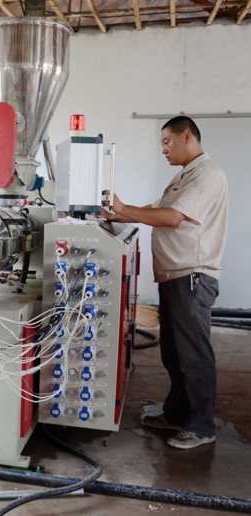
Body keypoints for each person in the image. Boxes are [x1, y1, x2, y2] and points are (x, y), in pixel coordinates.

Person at [100, 116, 229, 450]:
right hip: (174, 276)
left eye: (166, 142)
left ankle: (201, 426)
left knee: (194, 354)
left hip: (192, 277)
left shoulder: (207, 175)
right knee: (174, 353)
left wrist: (125, 209)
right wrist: (118, 213)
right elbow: (156, 209)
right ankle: (177, 413)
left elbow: (171, 218)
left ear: (187, 136)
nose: (163, 150)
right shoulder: (184, 176)